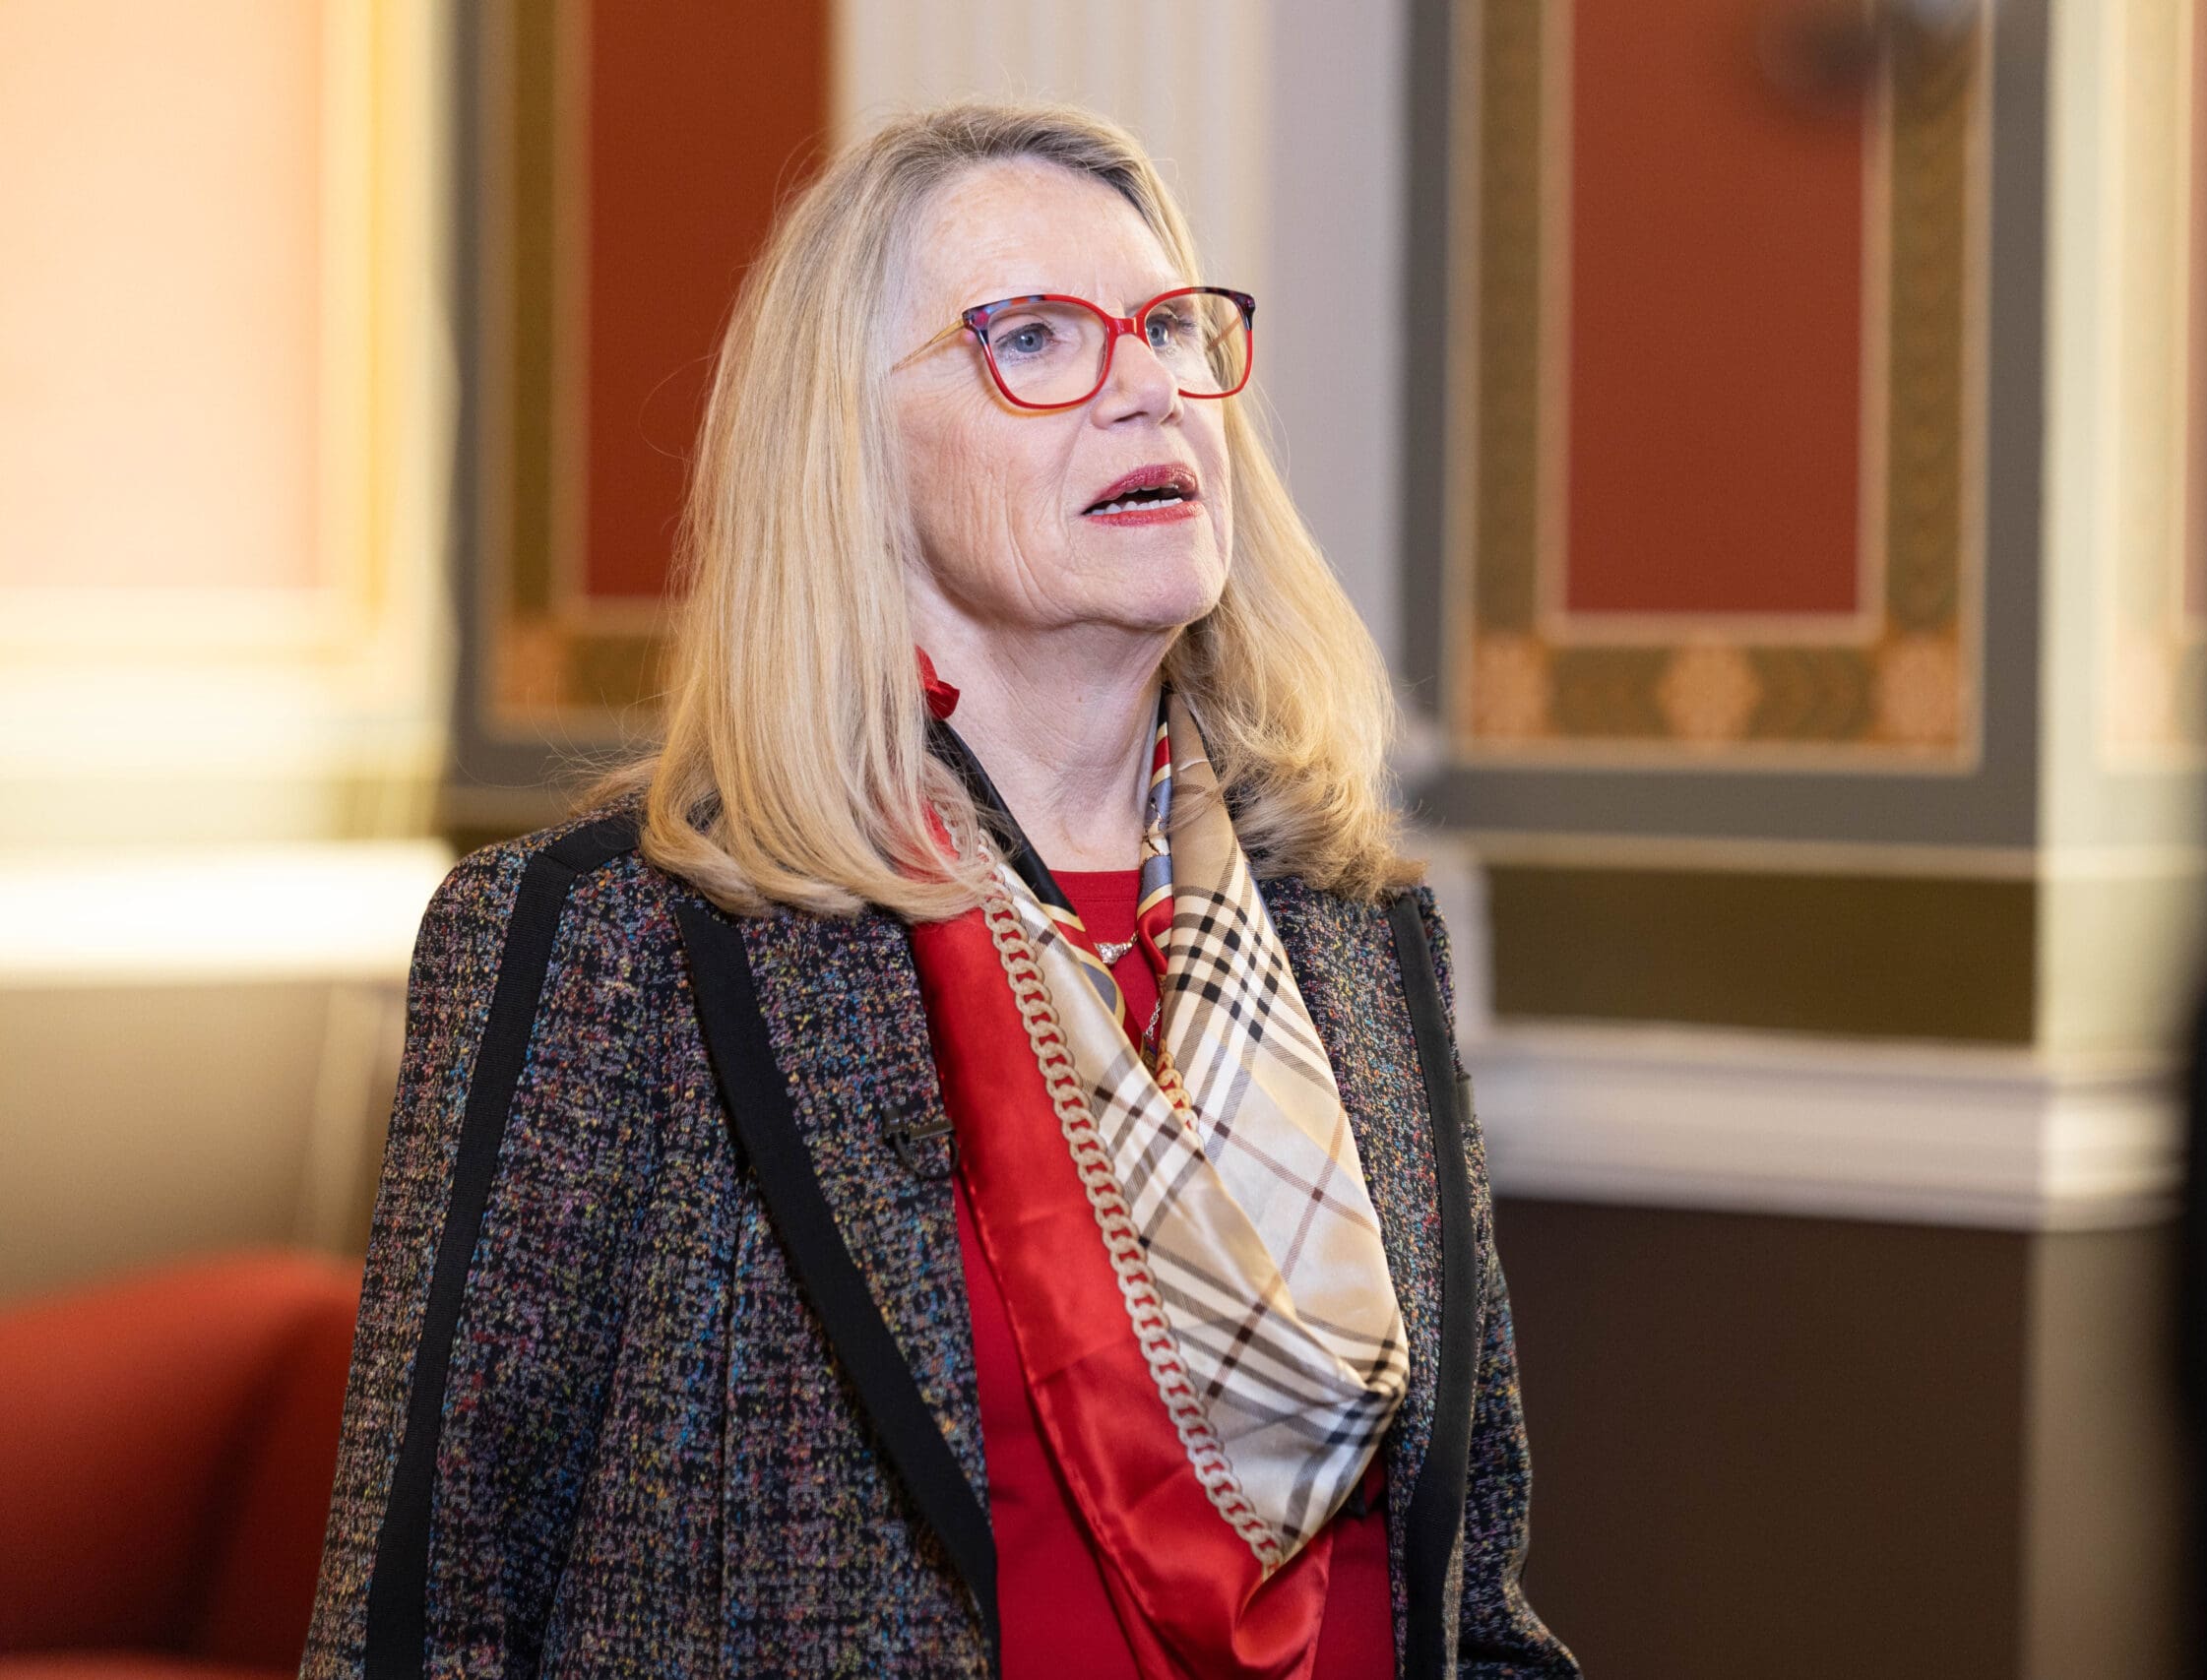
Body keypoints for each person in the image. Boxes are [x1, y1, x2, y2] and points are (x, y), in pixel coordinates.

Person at [301, 101, 1576, 1679]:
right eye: (1033, 338)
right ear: (850, 454)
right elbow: (427, 1620)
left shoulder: (1361, 934)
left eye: (1170, 329)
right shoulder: (620, 946)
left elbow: (1471, 1605)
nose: (1144, 386)